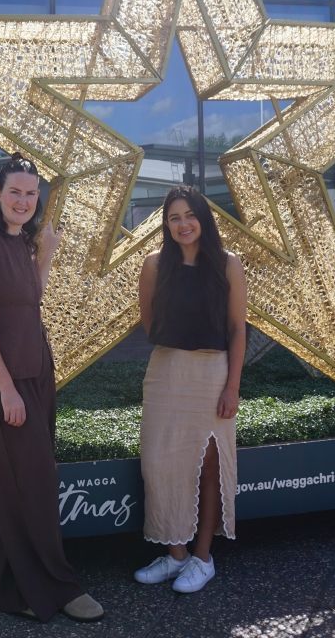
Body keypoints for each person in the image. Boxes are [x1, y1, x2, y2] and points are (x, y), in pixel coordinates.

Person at [0, 152, 104, 623]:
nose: (23, 200)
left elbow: (30, 300)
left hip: (36, 372)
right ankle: (56, 586)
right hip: (6, 379)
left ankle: (11, 587)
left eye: (30, 193)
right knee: (30, 483)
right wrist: (6, 388)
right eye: (14, 191)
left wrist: (45, 254)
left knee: (28, 481)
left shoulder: (21, 242)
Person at [133, 185, 247, 593]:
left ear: (203, 217)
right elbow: (148, 321)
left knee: (209, 466)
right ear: (166, 224)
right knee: (161, 464)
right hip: (166, 372)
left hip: (212, 374)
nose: (183, 224)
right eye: (174, 217)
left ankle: (202, 558)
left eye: (189, 215)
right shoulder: (153, 264)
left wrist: (232, 386)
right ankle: (175, 554)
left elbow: (237, 329)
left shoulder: (228, 264)